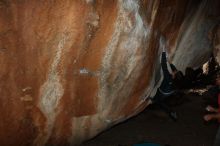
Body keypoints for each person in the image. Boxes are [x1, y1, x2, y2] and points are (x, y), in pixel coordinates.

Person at [148, 39, 178, 121]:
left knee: (158, 101)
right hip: (170, 91)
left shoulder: (168, 76)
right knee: (159, 101)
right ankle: (171, 112)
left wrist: (164, 52)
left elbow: (164, 65)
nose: (173, 72)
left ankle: (171, 112)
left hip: (164, 92)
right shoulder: (173, 76)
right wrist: (170, 63)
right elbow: (174, 69)